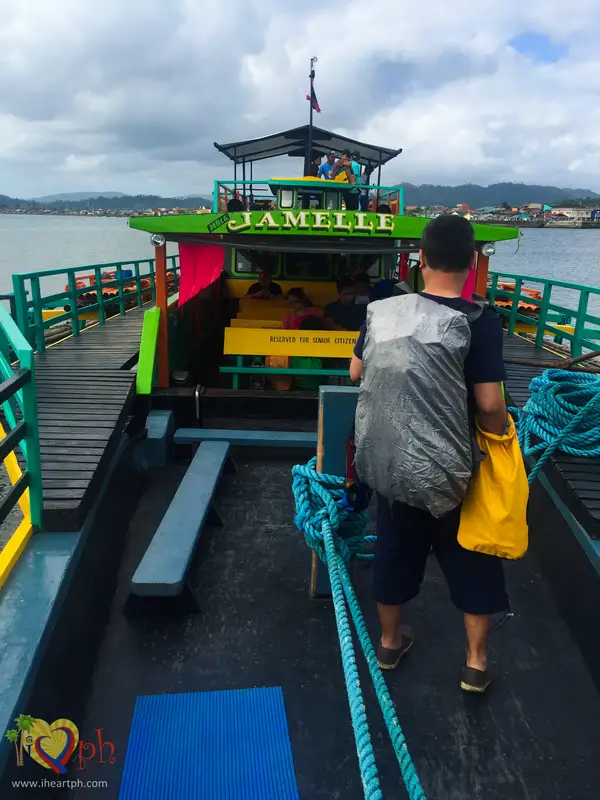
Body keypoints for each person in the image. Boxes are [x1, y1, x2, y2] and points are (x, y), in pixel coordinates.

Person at [349, 215, 508, 694]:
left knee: (395, 553)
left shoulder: (383, 312)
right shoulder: (480, 320)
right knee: (473, 558)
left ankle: (390, 642)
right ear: (474, 262)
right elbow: (489, 405)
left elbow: (357, 372)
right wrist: (500, 439)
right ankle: (476, 664)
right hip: (453, 474)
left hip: (390, 463)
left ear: (420, 260)